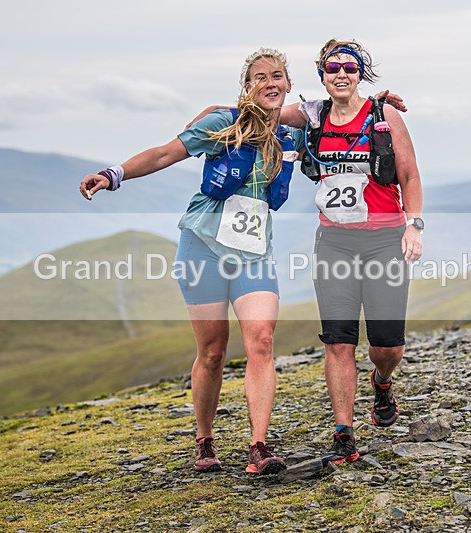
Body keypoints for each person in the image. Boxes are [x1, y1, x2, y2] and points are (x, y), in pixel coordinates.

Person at [79, 48, 305, 475]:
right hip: (202, 244)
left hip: (254, 251)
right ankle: (204, 440)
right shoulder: (224, 124)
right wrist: (113, 175)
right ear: (248, 86)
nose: (270, 83)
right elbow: (165, 153)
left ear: (289, 84)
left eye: (278, 76)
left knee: (260, 339)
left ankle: (259, 446)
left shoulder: (295, 135)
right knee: (213, 350)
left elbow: (340, 126)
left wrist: (378, 105)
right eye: (260, 77)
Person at [278, 39, 423, 464]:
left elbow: (410, 176)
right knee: (339, 341)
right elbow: (261, 112)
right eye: (332, 68)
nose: (341, 74)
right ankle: (344, 433)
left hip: (384, 239)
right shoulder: (312, 115)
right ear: (322, 75)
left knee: (386, 345)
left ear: (361, 73)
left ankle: (382, 381)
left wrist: (414, 227)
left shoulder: (384, 115)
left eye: (349, 67)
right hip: (334, 241)